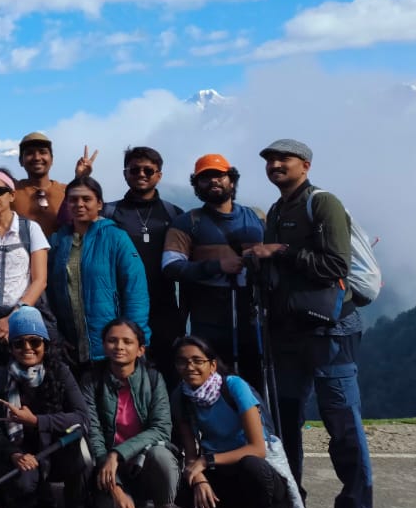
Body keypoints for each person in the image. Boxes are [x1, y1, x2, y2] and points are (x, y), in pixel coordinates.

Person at [247, 139, 372, 508]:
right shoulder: (280, 209)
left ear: (305, 164)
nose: (275, 165)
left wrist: (280, 251)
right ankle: (292, 506)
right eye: (269, 160)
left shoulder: (324, 203)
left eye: (283, 159)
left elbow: (335, 265)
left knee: (342, 424)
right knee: (286, 424)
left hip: (331, 331)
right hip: (287, 333)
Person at [0, 308, 90, 508]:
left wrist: (37, 421)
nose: (27, 348)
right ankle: (26, 497)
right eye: (19, 343)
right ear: (10, 348)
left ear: (46, 344)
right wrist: (13, 454)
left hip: (52, 448)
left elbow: (83, 418)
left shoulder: (60, 371)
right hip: (19, 453)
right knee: (23, 498)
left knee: (80, 449)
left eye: (35, 341)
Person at [171, 334, 281, 508]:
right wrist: (199, 478)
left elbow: (257, 448)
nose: (189, 367)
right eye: (183, 361)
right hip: (221, 470)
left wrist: (206, 461)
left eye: (197, 360)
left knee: (252, 465)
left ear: (212, 365)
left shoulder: (233, 386)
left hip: (258, 470)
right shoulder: (181, 396)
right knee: (181, 486)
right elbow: (191, 456)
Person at [162, 155, 266, 383]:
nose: (213, 181)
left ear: (232, 179)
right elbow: (171, 266)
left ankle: (258, 419)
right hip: (208, 317)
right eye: (205, 177)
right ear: (197, 185)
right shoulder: (187, 223)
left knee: (255, 379)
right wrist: (217, 266)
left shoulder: (256, 218)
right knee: (212, 381)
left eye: (219, 175)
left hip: (252, 312)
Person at [84, 318, 180, 508]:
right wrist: (114, 487)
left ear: (140, 349)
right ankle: (120, 502)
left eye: (128, 342)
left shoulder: (154, 379)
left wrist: (118, 454)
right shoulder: (92, 380)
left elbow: (161, 429)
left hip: (141, 463)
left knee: (163, 454)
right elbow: (92, 431)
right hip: (106, 467)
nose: (119, 347)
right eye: (112, 341)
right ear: (104, 346)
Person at [103, 147, 187, 377]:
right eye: (135, 169)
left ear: (159, 175)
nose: (141, 174)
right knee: (123, 371)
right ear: (125, 173)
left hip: (165, 307)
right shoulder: (109, 212)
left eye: (148, 170)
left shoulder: (174, 214)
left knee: (167, 370)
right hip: (121, 305)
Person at [46, 177, 149, 365]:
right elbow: (48, 292)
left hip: (111, 348)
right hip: (70, 347)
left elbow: (136, 291)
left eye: (86, 199)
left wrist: (134, 338)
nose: (79, 204)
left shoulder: (116, 238)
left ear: (99, 204)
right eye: (73, 199)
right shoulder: (58, 241)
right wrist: (57, 337)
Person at [0, 167, 50, 371]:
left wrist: (12, 318)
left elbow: (40, 280)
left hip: (27, 313)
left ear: (12, 194)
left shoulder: (31, 229)